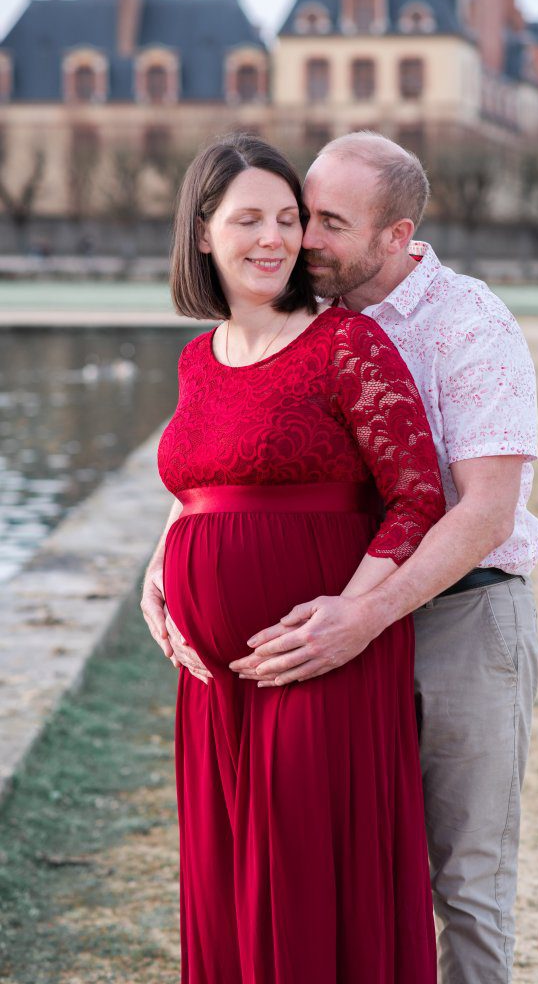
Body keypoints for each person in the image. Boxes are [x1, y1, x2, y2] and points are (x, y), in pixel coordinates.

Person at [227, 133, 538, 984]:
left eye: (330, 223)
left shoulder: (469, 323)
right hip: (340, 629)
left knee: (467, 883)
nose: (303, 238)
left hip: (461, 621)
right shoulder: (301, 315)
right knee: (352, 867)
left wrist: (365, 616)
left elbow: (485, 511)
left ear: (397, 235)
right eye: (303, 214)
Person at [141, 133, 445, 983]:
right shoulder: (197, 359)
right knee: (228, 883)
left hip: (321, 661)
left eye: (288, 218)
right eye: (249, 219)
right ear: (203, 233)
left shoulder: (346, 344)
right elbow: (200, 486)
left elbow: (418, 498)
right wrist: (158, 573)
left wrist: (347, 617)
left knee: (305, 880)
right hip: (212, 681)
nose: (274, 238)